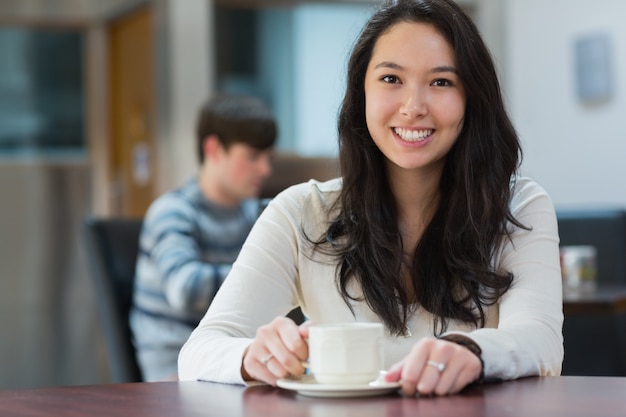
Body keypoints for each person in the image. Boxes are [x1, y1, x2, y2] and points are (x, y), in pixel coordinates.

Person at [178, 0, 564, 396]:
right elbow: (200, 350)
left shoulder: (517, 206)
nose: (413, 107)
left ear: (472, 99)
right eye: (391, 79)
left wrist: (472, 352)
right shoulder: (301, 213)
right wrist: (251, 356)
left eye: (441, 82)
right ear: (361, 93)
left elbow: (541, 339)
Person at [129, 94, 277, 381]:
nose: (265, 169)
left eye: (268, 157)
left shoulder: (252, 214)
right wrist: (267, 277)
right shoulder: (172, 212)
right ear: (213, 149)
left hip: (237, 361)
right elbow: (184, 288)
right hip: (176, 369)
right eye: (252, 157)